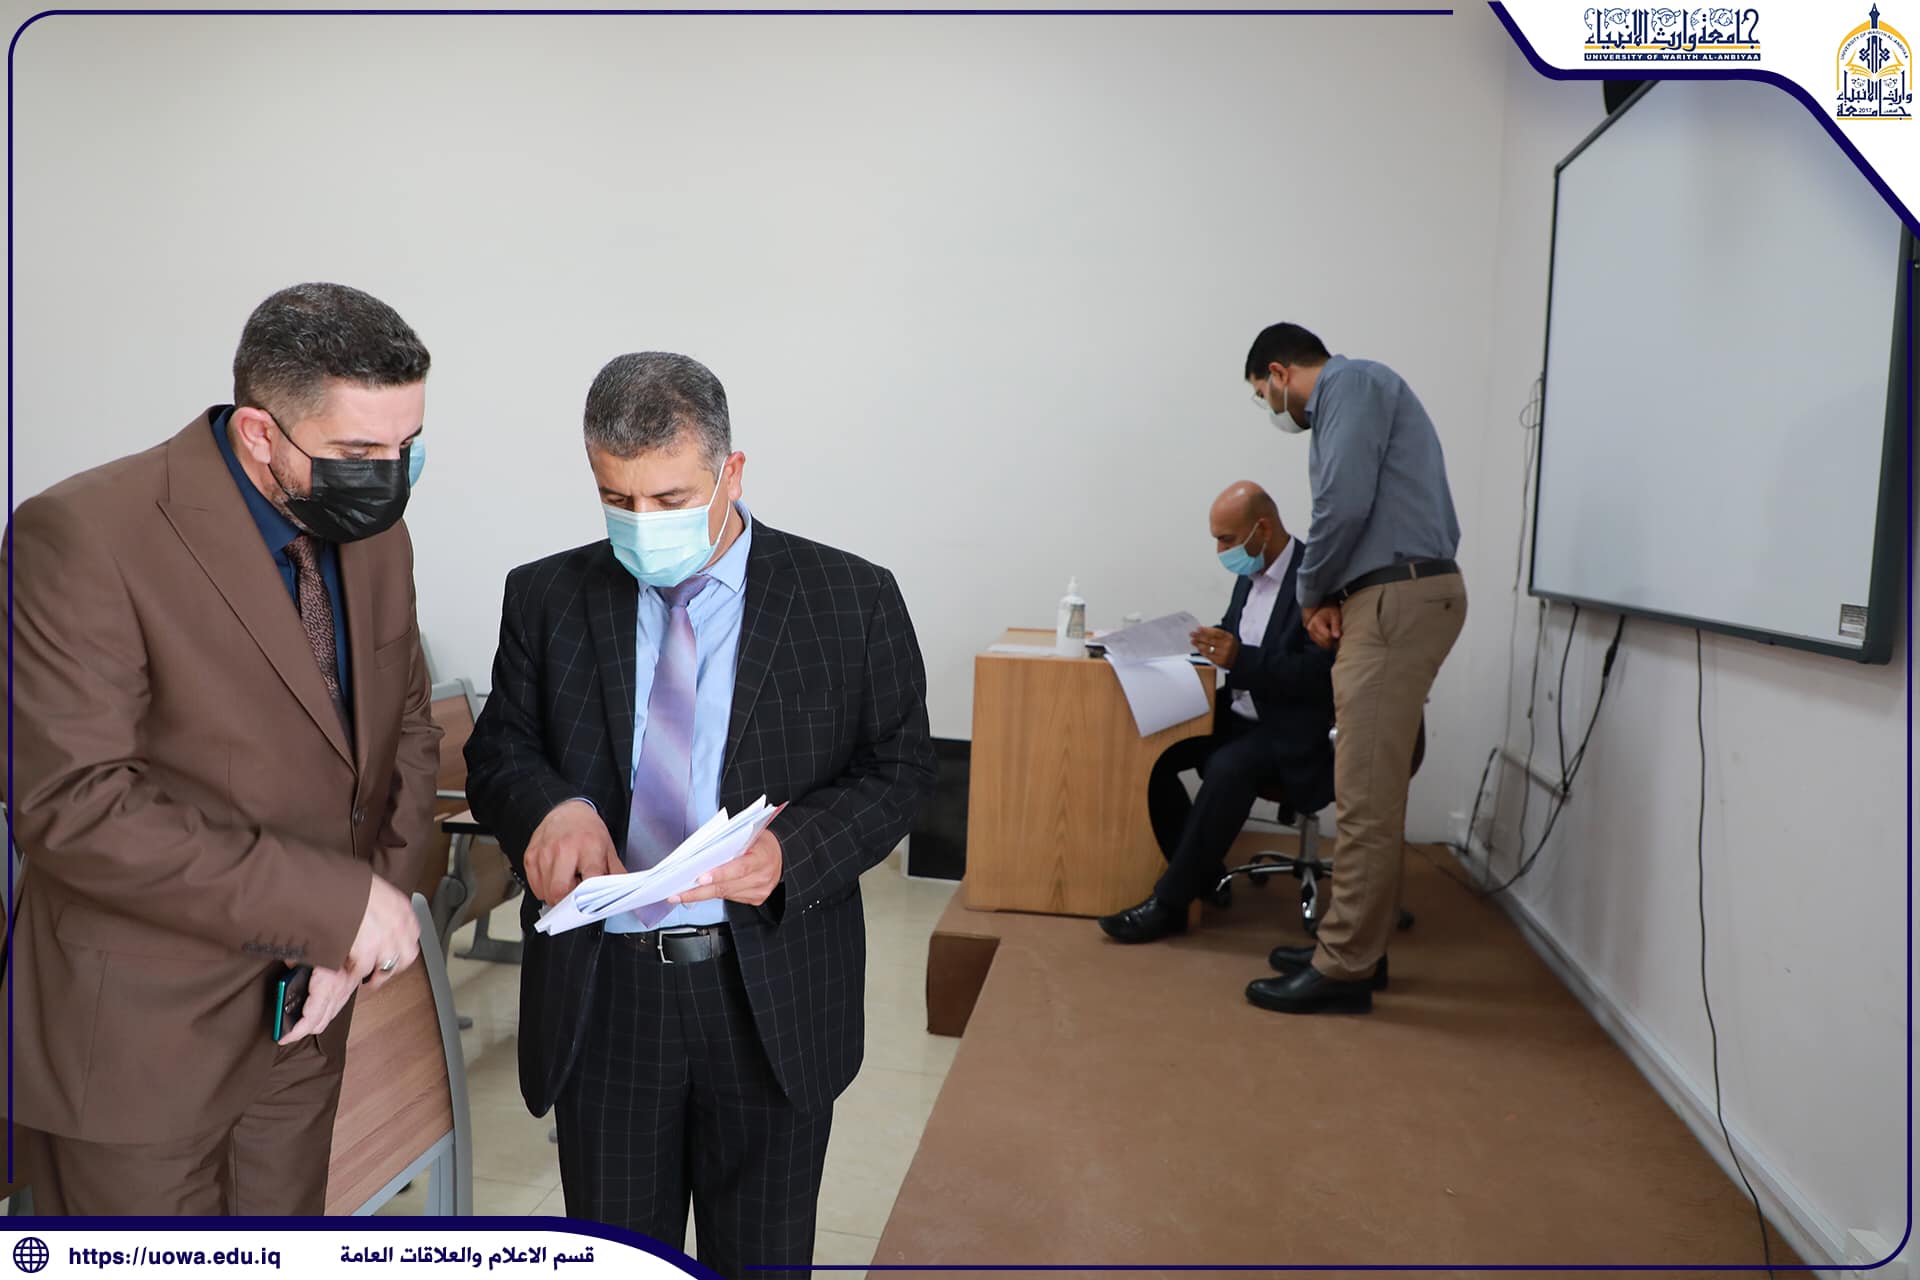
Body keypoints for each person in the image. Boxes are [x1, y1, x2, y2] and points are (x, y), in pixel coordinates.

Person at [464, 352, 935, 1278]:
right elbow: (501, 749)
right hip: (609, 994)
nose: (643, 525)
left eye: (671, 498)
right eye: (618, 499)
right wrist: (553, 808)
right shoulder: (548, 595)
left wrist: (792, 852)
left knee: (761, 1258)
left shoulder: (849, 598)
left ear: (732, 473)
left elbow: (901, 769)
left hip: (767, 991)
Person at [0, 282, 441, 1213]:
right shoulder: (84, 534)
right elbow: (75, 806)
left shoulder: (377, 534)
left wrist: (358, 933)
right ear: (258, 433)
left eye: (407, 446)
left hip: (305, 1018)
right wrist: (333, 906)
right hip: (141, 1041)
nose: (390, 477)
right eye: (360, 454)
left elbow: (405, 731)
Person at [1239, 322, 1465, 1016]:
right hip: (1394, 593)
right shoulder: (1362, 388)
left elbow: (1341, 504)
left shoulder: (1349, 384)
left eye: (1263, 394)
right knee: (1373, 788)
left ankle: (1344, 966)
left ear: (1280, 373)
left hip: (1395, 598)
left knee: (1364, 793)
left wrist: (1310, 592)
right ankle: (1359, 945)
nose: (1272, 408)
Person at [1097, 481, 1334, 944]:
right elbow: (1235, 634)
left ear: (1263, 529)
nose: (1222, 551)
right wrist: (1202, 644)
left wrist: (1240, 658)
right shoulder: (1251, 574)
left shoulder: (1315, 578)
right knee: (1157, 758)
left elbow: (1320, 674)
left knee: (1228, 767)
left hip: (1289, 724)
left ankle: (1169, 904)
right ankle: (1204, 876)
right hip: (1240, 710)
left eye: (1227, 539)